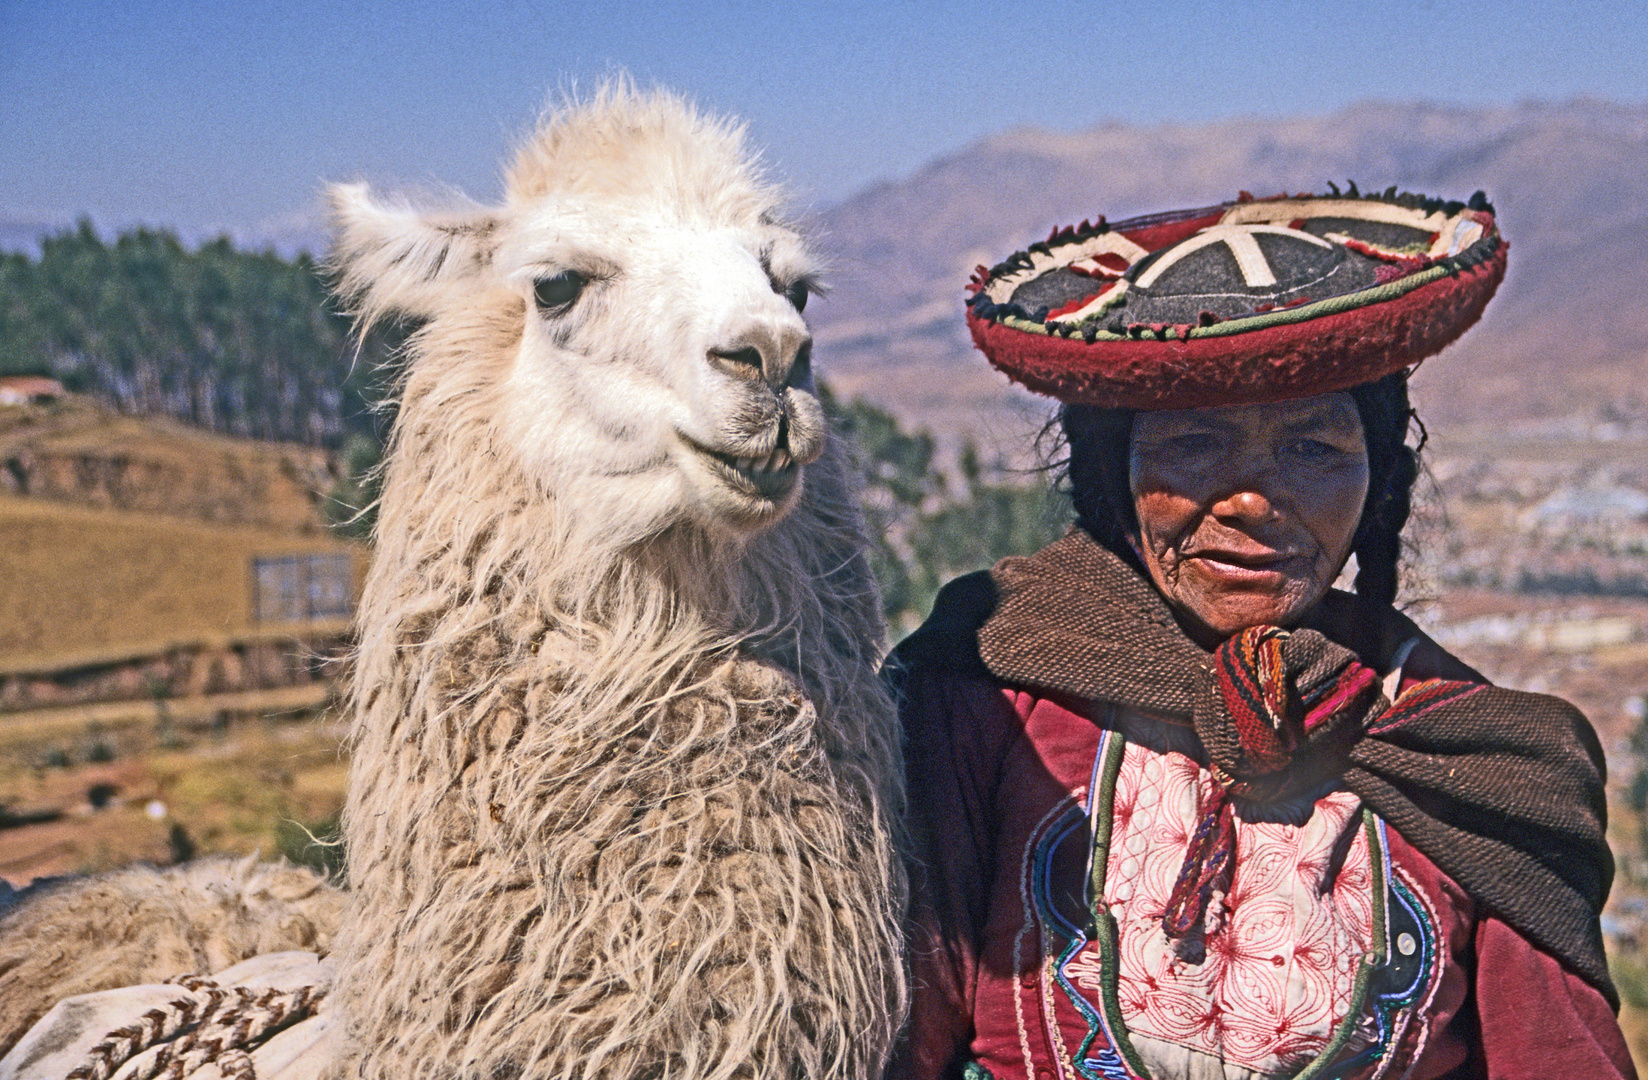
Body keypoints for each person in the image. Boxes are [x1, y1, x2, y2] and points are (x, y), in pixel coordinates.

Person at [888, 191, 1637, 1079]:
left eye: (1313, 451)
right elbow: (896, 1036)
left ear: (1380, 481)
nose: (1250, 500)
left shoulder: (1479, 764)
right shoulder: (986, 698)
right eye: (1195, 444)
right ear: (1113, 474)